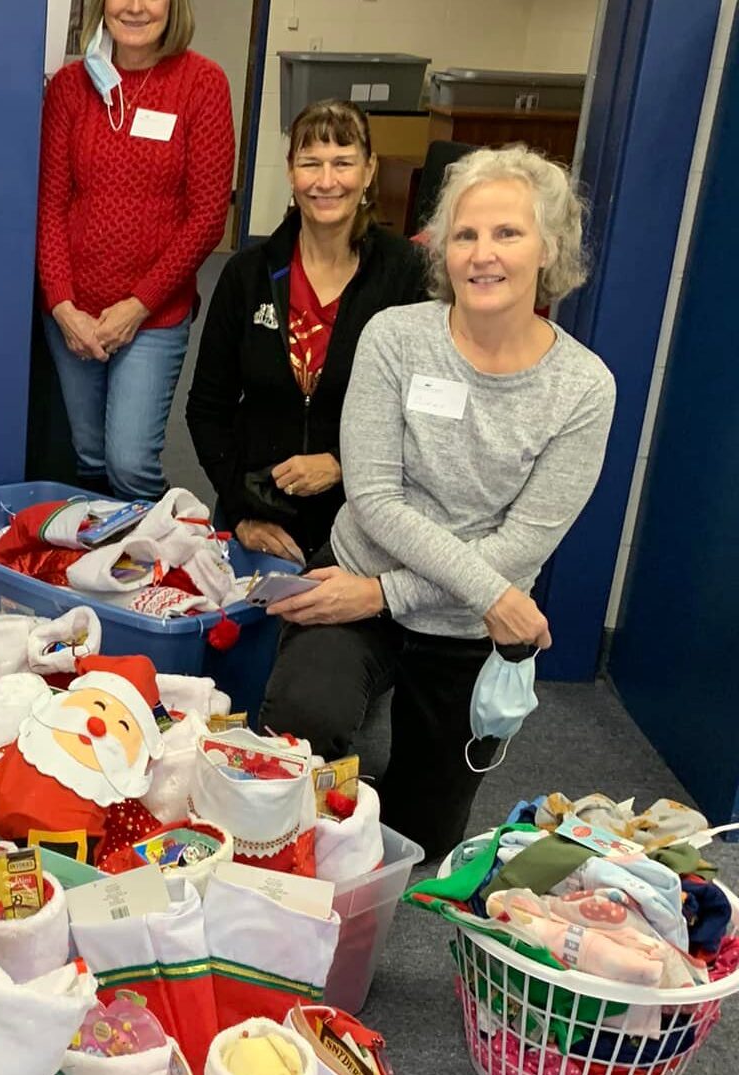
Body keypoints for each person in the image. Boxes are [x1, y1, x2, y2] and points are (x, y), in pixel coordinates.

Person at [255, 145, 616, 858]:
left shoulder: (583, 387)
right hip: (364, 574)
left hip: (455, 620)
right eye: (465, 234)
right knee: (301, 724)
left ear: (549, 247)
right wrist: (485, 594)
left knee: (418, 840)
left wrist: (383, 595)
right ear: (442, 249)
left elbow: (523, 543)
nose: (483, 254)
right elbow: (376, 499)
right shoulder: (396, 336)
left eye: (507, 233)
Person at [186, 100, 429, 563]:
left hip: (364, 521)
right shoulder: (248, 275)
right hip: (258, 512)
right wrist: (240, 513)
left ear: (370, 170)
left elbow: (422, 413)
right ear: (291, 172)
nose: (325, 181)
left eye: (343, 163)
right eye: (310, 163)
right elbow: (207, 410)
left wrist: (343, 463)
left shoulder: (407, 275)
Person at [37, 0, 234, 501]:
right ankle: (102, 568)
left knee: (129, 464)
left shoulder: (203, 84)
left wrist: (138, 304)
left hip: (153, 314)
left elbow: (209, 216)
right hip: (74, 313)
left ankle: (159, 554)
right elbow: (50, 205)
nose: (135, 7)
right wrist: (63, 306)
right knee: (90, 456)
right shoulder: (68, 87)